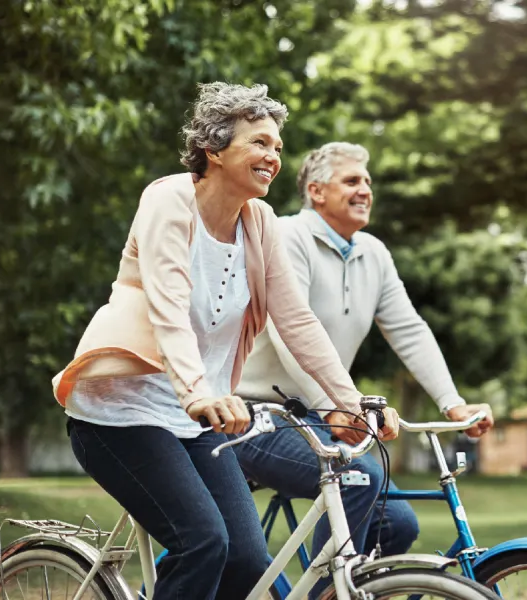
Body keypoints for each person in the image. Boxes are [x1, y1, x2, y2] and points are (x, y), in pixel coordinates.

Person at [52, 87, 399, 600]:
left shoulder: (260, 224)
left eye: (278, 148)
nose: (273, 158)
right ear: (214, 150)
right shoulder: (168, 199)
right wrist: (196, 391)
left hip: (200, 419)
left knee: (248, 561)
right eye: (260, 143)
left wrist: (350, 403)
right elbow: (168, 304)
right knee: (202, 542)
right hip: (121, 412)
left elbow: (297, 321)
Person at [234, 141, 495, 597]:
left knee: (397, 523)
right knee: (361, 478)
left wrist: (452, 404)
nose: (365, 190)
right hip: (255, 414)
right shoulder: (287, 236)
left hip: (318, 415)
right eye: (352, 181)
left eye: (368, 182)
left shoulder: (372, 253)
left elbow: (409, 331)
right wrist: (332, 404)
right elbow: (288, 330)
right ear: (316, 191)